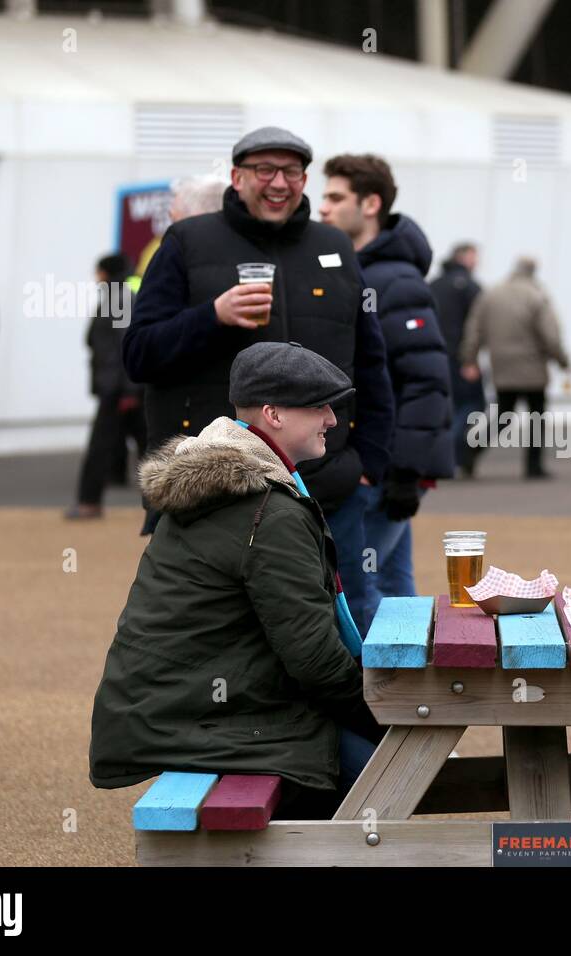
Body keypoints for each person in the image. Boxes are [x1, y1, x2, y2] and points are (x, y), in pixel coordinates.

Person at [121, 125, 395, 637]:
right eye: (263, 170)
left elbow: (372, 364)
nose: (278, 183)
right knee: (221, 639)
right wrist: (212, 316)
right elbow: (139, 355)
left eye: (291, 171)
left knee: (346, 633)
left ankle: (354, 723)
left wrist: (367, 465)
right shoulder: (186, 241)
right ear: (236, 177)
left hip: (329, 488)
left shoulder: (334, 245)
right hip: (217, 493)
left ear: (305, 179)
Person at [89, 342, 381, 819]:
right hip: (203, 719)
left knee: (374, 765)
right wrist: (385, 716)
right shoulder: (268, 508)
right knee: (383, 779)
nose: (332, 419)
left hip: (179, 704)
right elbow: (314, 658)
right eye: (320, 406)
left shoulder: (231, 480)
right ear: (273, 414)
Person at [320, 153, 453, 601]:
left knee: (355, 590)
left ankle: (373, 675)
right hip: (378, 465)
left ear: (370, 204)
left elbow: (427, 380)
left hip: (384, 468)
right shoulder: (349, 271)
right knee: (394, 591)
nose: (323, 207)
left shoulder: (396, 280)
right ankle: (404, 673)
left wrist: (405, 472)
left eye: (336, 197)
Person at [460, 257, 570, 480]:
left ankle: (471, 451)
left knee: (503, 414)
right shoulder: (536, 295)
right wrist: (561, 360)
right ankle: (533, 466)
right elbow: (550, 335)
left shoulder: (491, 294)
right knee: (536, 416)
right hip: (532, 368)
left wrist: (469, 358)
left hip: (502, 366)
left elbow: (474, 329)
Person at [66, 254, 147, 520]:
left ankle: (89, 502)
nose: (95, 276)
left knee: (101, 446)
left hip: (118, 389)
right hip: (119, 387)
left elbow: (126, 344)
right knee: (150, 447)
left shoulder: (118, 298)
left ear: (106, 272)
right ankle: (168, 505)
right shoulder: (116, 295)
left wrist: (129, 390)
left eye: (98, 271)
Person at [430, 243, 486, 477]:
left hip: (434, 355)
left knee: (445, 406)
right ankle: (455, 455)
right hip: (461, 359)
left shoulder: (433, 284)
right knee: (472, 405)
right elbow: (476, 327)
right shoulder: (470, 287)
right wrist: (470, 361)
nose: (477, 262)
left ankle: (444, 456)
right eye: (474, 256)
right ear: (464, 257)